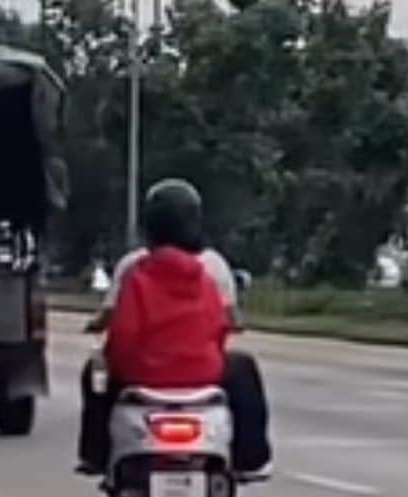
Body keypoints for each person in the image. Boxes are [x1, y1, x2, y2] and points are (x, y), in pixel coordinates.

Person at [77, 179, 272, 480]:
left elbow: (123, 331)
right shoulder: (211, 269)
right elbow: (222, 323)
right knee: (244, 368)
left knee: (96, 374)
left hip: (144, 375)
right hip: (203, 374)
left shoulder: (135, 269)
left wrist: (114, 359)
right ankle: (251, 459)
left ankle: (96, 455)